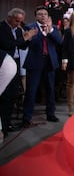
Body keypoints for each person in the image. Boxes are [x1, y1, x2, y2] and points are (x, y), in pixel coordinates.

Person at [22, 7, 62, 127]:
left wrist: (50, 31)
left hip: (50, 62)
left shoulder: (53, 27)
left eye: (45, 14)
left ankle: (51, 113)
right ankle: (27, 117)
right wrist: (43, 33)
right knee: (31, 91)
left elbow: (59, 41)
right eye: (40, 14)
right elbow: (31, 43)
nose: (43, 16)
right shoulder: (30, 27)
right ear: (36, 16)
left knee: (50, 89)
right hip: (35, 63)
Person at [0, 8, 37, 138]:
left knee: (12, 94)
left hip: (15, 63)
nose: (18, 23)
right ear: (9, 17)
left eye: (20, 21)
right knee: (4, 95)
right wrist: (25, 37)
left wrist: (27, 39)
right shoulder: (2, 27)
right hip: (4, 63)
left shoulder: (18, 29)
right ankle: (3, 125)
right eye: (16, 21)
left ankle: (7, 122)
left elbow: (21, 46)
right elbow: (7, 45)